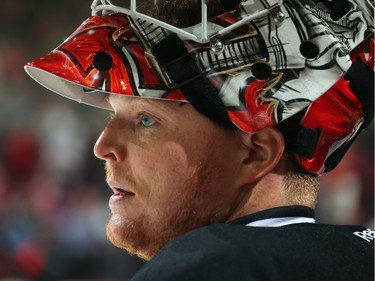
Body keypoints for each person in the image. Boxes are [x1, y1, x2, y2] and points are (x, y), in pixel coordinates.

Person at [25, 0, 374, 280]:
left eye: (146, 120)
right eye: (110, 115)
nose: (102, 147)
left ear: (255, 154)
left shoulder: (206, 265)